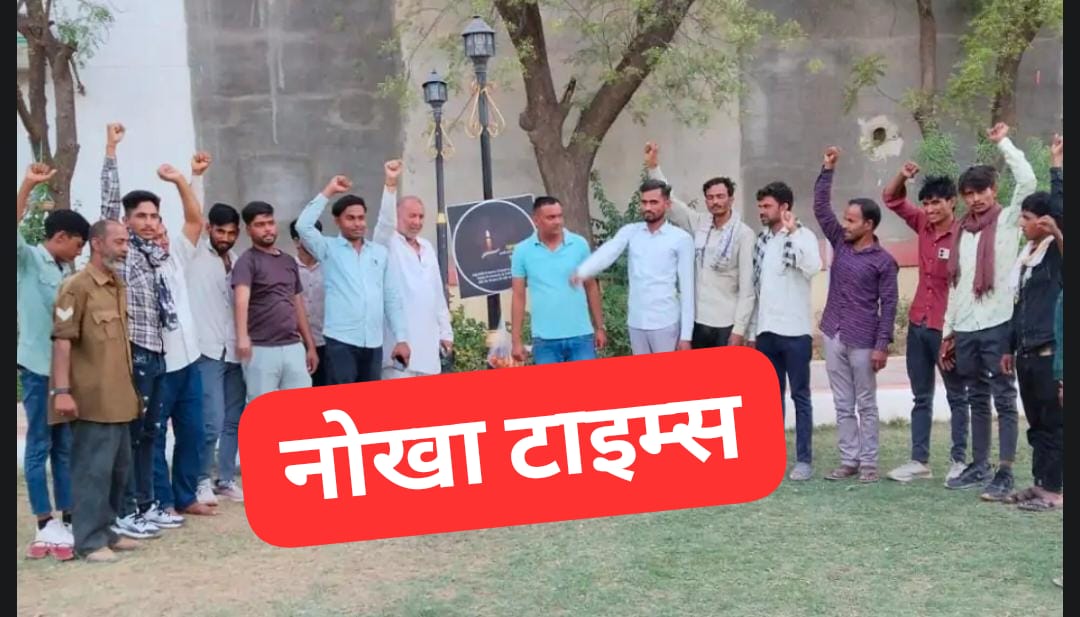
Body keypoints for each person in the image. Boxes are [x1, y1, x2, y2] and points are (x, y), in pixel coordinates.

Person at [940, 123, 1036, 501]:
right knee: (976, 396)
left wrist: (1004, 143)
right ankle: (979, 464)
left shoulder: (1009, 220)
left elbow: (1027, 181)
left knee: (1004, 397)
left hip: (1000, 323)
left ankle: (1005, 471)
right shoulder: (961, 231)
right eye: (969, 194)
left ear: (994, 190)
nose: (976, 199)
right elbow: (957, 284)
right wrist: (949, 331)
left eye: (981, 191)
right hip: (966, 325)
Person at [50, 219, 143, 563]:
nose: (125, 248)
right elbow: (62, 341)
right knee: (93, 471)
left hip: (119, 396)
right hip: (91, 398)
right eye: (119, 241)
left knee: (118, 471)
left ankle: (106, 531)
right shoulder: (76, 287)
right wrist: (61, 390)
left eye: (126, 242)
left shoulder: (116, 285)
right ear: (97, 243)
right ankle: (88, 541)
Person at [99, 123, 172, 539]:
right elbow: (109, 203)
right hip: (134, 352)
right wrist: (111, 150)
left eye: (153, 216)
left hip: (157, 350)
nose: (147, 222)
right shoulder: (122, 255)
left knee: (150, 434)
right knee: (130, 435)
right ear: (126, 222)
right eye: (140, 216)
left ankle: (145, 505)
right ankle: (125, 510)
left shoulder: (153, 255)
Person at [813, 147, 899, 484]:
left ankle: (869, 463)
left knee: (866, 402)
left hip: (864, 339)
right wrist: (827, 169)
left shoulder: (884, 261)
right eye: (845, 219)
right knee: (842, 402)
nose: (845, 224)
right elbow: (820, 209)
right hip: (834, 332)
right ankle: (848, 460)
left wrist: (882, 346)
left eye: (851, 220)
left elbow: (888, 304)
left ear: (869, 224)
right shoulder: (840, 242)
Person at [881, 163, 971, 484]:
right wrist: (903, 175)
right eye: (927, 203)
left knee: (957, 396)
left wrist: (955, 333)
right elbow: (891, 198)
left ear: (952, 202)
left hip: (947, 328)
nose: (930, 209)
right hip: (919, 323)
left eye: (936, 203)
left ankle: (959, 461)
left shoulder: (964, 235)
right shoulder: (922, 224)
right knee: (921, 396)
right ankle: (919, 461)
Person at [18, 162, 89, 560]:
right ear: (60, 237)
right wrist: (28, 184)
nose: (79, 252)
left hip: (67, 373)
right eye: (77, 244)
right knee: (39, 446)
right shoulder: (28, 261)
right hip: (38, 370)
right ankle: (44, 522)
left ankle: (69, 517)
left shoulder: (67, 272)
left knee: (64, 447)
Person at [143, 162, 214, 521]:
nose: (161, 239)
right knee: (155, 436)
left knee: (192, 432)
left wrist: (184, 180)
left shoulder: (175, 259)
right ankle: (162, 501)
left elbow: (195, 220)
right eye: (154, 235)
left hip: (189, 360)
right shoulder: (137, 266)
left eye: (163, 232)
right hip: (159, 364)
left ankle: (186, 496)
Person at [295, 175, 410, 383]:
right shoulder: (328, 249)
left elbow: (391, 297)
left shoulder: (379, 253)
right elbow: (303, 226)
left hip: (373, 342)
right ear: (337, 221)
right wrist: (329, 191)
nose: (357, 224)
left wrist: (401, 338)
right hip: (340, 341)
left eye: (361, 218)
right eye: (350, 218)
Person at [1000, 134, 1063, 512]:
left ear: (1044, 221)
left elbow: (1061, 207)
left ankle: (1056, 491)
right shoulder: (1027, 258)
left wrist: (1057, 167)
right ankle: (1041, 483)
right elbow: (1018, 304)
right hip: (1025, 352)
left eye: (1026, 218)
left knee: (1055, 424)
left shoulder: (1056, 255)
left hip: (1048, 353)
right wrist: (1009, 346)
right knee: (1037, 424)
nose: (1021, 224)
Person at [644, 142, 756, 348]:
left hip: (726, 323)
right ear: (706, 201)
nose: (715, 202)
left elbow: (747, 288)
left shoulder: (744, 235)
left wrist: (739, 330)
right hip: (698, 321)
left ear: (731, 199)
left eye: (720, 197)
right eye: (710, 198)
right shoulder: (700, 224)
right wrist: (653, 168)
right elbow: (673, 204)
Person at [749, 180, 823, 481]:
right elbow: (758, 290)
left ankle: (804, 460)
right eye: (760, 206)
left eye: (767, 206)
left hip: (795, 332)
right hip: (766, 330)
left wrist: (792, 233)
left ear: (784, 207)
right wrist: (753, 331)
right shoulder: (761, 241)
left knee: (800, 397)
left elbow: (813, 267)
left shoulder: (804, 236)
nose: (762, 211)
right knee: (770, 398)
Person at [573, 179, 694, 355]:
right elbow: (608, 251)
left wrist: (686, 336)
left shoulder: (681, 239)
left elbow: (688, 289)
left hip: (665, 322)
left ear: (667, 204)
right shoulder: (631, 231)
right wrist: (583, 271)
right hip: (636, 322)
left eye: (654, 202)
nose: (647, 207)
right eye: (644, 202)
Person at [184, 161, 245, 504]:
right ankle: (200, 480)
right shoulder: (195, 253)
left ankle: (225, 479)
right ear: (209, 228)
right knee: (211, 421)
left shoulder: (237, 260)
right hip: (206, 350)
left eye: (231, 233)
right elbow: (192, 215)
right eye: (220, 231)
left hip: (235, 350)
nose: (225, 238)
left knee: (233, 421)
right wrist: (196, 176)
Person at [372, 160, 454, 377]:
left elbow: (437, 295)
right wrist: (391, 183)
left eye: (421, 216)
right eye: (412, 216)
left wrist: (446, 333)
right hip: (398, 354)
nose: (417, 222)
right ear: (398, 216)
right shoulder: (387, 244)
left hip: (429, 353)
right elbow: (384, 221)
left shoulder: (427, 247)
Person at [233, 200, 319, 399]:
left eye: (270, 223)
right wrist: (242, 337)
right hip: (261, 349)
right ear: (248, 230)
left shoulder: (288, 261)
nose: (267, 229)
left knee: (301, 409)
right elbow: (241, 300)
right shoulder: (247, 261)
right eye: (260, 225)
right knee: (263, 409)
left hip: (293, 346)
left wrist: (310, 346)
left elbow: (297, 304)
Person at [511, 196, 606, 365]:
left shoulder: (579, 244)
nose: (558, 221)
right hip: (544, 340)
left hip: (581, 336)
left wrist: (599, 327)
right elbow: (518, 296)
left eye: (560, 216)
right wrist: (516, 340)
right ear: (536, 220)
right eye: (551, 217)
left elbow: (591, 287)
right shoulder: (522, 251)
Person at [290, 218, 328, 386]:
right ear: (296, 241)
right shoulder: (287, 268)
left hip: (326, 342)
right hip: (297, 343)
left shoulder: (331, 268)